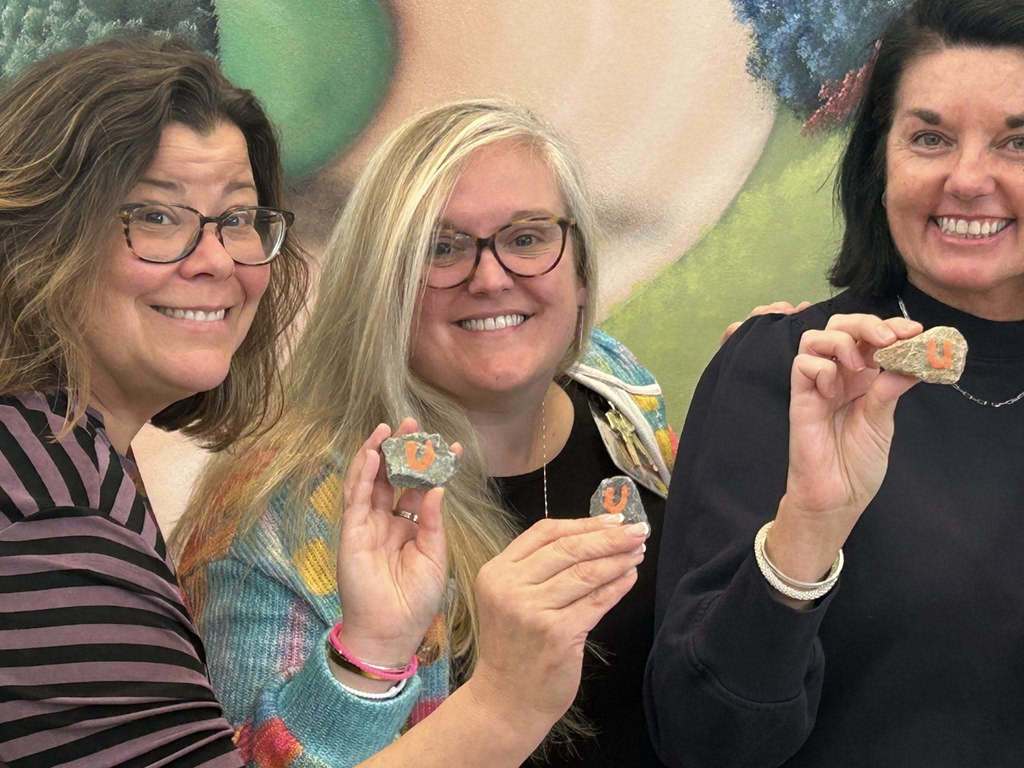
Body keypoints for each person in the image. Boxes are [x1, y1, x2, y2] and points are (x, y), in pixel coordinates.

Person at [0, 39, 642, 768]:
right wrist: (507, 702)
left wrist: (369, 654)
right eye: (156, 217)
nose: (216, 259)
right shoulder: (48, 518)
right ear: (37, 235)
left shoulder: (66, 465)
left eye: (239, 220)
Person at [173, 99, 677, 767]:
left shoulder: (618, 386)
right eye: (442, 248)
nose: (492, 277)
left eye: (526, 238)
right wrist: (366, 664)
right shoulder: (272, 512)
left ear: (579, 272)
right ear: (381, 284)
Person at [646, 1, 1024, 766]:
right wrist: (808, 530)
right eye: (930, 138)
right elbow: (702, 741)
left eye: (1018, 143)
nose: (969, 178)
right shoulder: (789, 372)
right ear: (878, 163)